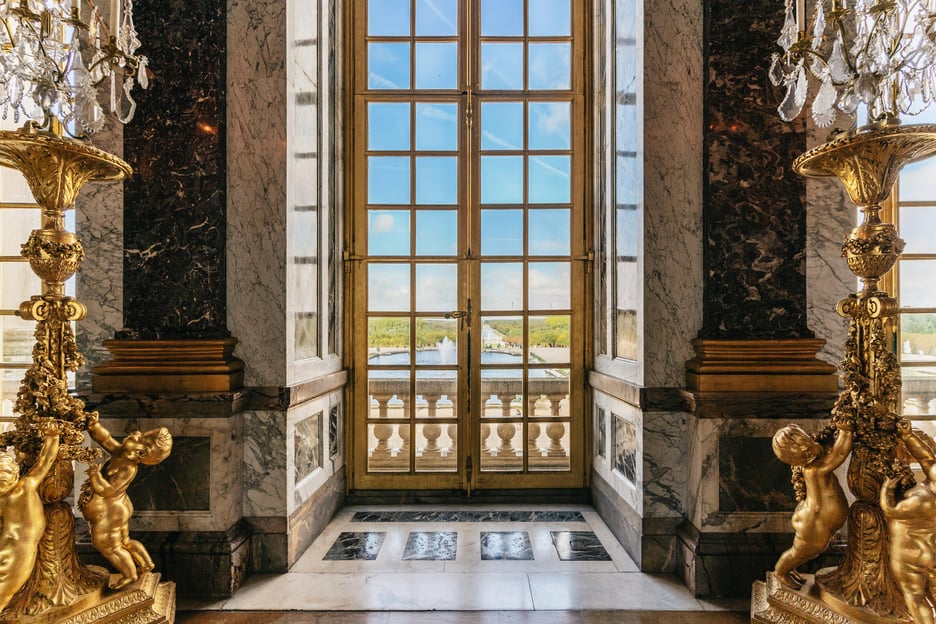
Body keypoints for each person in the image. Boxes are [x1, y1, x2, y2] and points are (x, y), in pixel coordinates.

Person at [79, 413, 172, 591]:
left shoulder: (128, 467)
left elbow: (108, 490)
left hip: (111, 510)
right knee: (124, 541)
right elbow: (105, 439)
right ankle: (145, 563)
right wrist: (93, 426)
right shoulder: (122, 453)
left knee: (108, 545)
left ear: (141, 452)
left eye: (140, 437)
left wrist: (95, 476)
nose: (136, 432)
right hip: (119, 507)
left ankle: (129, 575)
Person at [772, 419, 854, 589]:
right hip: (813, 523)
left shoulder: (812, 462)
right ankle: (780, 572)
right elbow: (839, 455)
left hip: (814, 518)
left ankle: (790, 568)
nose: (814, 450)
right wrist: (846, 432)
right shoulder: (816, 469)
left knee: (804, 552)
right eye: (808, 452)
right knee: (801, 552)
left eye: (810, 444)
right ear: (799, 459)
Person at [0, 420, 61, 613]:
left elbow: (44, 462)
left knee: (5, 592)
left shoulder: (21, 488)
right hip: (17, 550)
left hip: (13, 548)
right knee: (4, 593)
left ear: (15, 472)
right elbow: (44, 463)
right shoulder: (22, 488)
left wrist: (53, 437)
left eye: (4, 474)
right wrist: (52, 437)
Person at [881, 419, 936, 624]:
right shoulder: (932, 483)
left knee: (915, 596)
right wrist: (908, 436)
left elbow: (890, 510)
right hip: (930, 550)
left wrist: (887, 488)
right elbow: (927, 458)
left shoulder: (922, 501)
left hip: (908, 555)